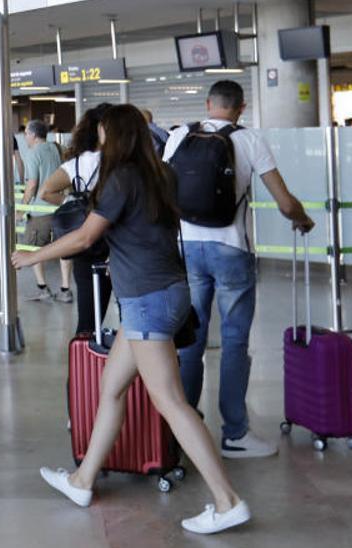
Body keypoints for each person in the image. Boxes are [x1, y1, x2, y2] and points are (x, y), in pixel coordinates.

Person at [15, 104, 251, 535]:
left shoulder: (120, 178)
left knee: (171, 402)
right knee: (112, 388)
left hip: (147, 300)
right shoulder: (160, 173)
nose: (99, 139)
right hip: (164, 292)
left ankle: (227, 500)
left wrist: (33, 256)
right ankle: (82, 480)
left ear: (116, 136)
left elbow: (87, 236)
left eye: (103, 133)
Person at [164, 80, 315, 459]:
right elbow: (284, 201)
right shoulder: (249, 140)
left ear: (208, 103)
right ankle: (235, 434)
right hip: (231, 249)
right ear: (241, 107)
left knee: (189, 340)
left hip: (187, 248)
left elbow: (163, 190)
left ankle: (182, 426)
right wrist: (302, 219)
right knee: (233, 342)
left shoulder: (179, 135)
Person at [39, 104, 115, 334]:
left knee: (88, 310)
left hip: (86, 243)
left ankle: (83, 357)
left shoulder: (77, 163)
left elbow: (45, 192)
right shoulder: (119, 161)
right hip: (115, 242)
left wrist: (73, 204)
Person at [20, 119, 72, 303]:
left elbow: (32, 184)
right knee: (64, 247)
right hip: (60, 207)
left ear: (33, 135)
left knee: (35, 249)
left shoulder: (33, 154)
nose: (25, 136)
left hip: (40, 210)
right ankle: (65, 289)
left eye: (26, 133)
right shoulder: (56, 148)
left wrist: (22, 207)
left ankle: (43, 288)